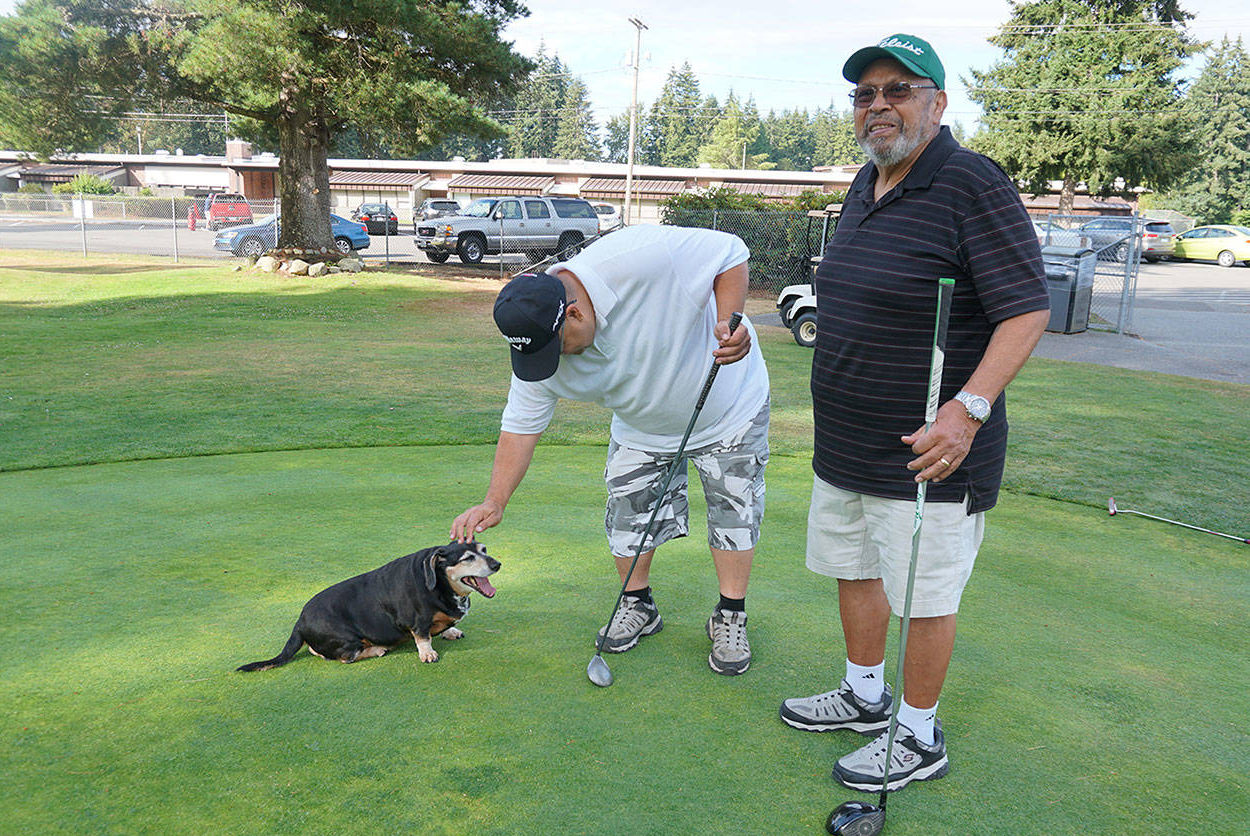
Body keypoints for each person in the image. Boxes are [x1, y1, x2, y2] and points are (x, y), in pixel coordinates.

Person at [779, 34, 1050, 791]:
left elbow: (1026, 310)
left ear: (937, 101)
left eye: (897, 90)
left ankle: (919, 733)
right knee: (853, 569)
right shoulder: (864, 186)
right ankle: (866, 695)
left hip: (929, 452)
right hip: (845, 445)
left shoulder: (971, 182)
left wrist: (966, 412)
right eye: (864, 94)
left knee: (924, 597)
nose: (878, 106)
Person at [450, 224, 770, 675]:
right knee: (627, 515)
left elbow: (731, 250)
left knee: (733, 511)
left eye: (556, 349)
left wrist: (729, 320)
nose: (552, 364)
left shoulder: (638, 255)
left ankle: (730, 615)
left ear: (576, 315)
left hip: (729, 407)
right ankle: (638, 605)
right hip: (640, 423)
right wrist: (495, 499)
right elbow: (521, 426)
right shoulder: (538, 349)